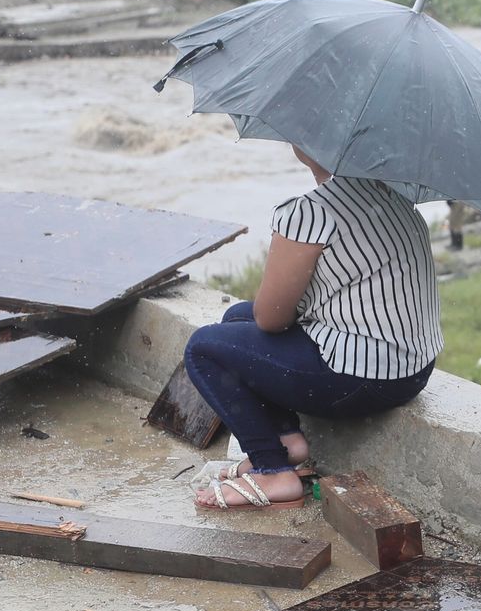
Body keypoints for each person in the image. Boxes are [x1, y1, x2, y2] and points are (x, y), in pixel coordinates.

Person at [184, 146, 444, 510]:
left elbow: (271, 319)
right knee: (235, 320)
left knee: (204, 348)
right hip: (412, 370)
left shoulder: (310, 212)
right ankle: (286, 441)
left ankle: (272, 470)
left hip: (359, 381)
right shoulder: (394, 196)